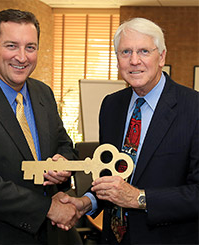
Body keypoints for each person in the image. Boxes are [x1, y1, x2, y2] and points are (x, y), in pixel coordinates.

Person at [59, 17, 199, 244]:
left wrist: (140, 198)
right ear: (117, 61)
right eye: (126, 52)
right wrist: (86, 202)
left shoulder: (193, 108)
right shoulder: (111, 106)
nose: (134, 61)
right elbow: (111, 177)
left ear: (161, 56)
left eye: (144, 51)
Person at [0, 9, 80, 245]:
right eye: (11, 45)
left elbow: (64, 144)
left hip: (50, 236)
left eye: (30, 47)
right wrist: (48, 209)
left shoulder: (43, 93)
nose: (22, 57)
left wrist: (63, 163)